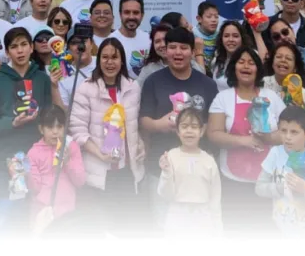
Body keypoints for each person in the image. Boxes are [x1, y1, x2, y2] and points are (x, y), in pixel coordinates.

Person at [139, 27, 219, 222]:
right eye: (172, 47)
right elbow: (143, 121)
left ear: (193, 52)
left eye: (184, 48)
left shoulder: (207, 84)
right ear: (165, 51)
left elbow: (214, 124)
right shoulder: (153, 81)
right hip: (161, 166)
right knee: (163, 224)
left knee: (197, 227)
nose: (177, 52)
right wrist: (160, 124)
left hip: (197, 169)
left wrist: (195, 129)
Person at [70, 36, 146, 234]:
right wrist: (99, 153)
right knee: (102, 228)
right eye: (105, 57)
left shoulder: (133, 87)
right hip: (100, 171)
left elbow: (135, 124)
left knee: (128, 228)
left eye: (115, 57)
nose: (110, 62)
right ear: (98, 59)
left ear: (122, 61)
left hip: (128, 170)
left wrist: (139, 144)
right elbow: (77, 129)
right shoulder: (86, 88)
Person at [207, 47, 285, 232]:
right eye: (241, 62)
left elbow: (288, 132)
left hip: (268, 183)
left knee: (267, 232)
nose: (246, 66)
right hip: (233, 182)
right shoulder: (223, 98)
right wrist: (245, 141)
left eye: (251, 63)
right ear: (233, 67)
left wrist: (268, 137)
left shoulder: (271, 97)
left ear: (258, 69)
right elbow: (213, 134)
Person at [0, 26, 59, 170]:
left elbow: (50, 117)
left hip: (38, 154)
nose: (20, 50)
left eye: (24, 44)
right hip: (4, 155)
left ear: (31, 48)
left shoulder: (43, 79)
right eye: (14, 46)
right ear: (7, 53)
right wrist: (12, 122)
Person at [255, 106, 305, 236]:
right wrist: (281, 187)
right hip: (280, 230)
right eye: (283, 131)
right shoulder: (275, 153)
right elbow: (259, 188)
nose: (288, 137)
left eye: (294, 132)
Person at [156, 107, 223, 236]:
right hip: (177, 216)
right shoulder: (171, 156)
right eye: (184, 126)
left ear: (202, 131)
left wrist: (218, 229)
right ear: (177, 131)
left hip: (203, 218)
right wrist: (166, 172)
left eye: (194, 127)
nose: (189, 131)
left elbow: (215, 198)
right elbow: (165, 194)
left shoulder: (209, 160)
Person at [26, 106, 87, 224]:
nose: (55, 131)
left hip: (67, 211)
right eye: (50, 127)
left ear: (65, 128)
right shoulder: (33, 153)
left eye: (59, 127)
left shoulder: (71, 146)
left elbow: (80, 181)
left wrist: (68, 161)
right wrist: (26, 173)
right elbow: (35, 188)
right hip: (42, 210)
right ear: (41, 129)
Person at [110, 0, 151, 76]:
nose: (131, 17)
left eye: (136, 13)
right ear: (120, 14)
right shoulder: (110, 42)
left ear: (142, 15)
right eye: (127, 12)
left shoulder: (149, 39)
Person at [209, 20, 253, 92]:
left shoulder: (250, 61)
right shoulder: (216, 61)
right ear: (221, 39)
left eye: (235, 36)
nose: (231, 39)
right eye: (226, 36)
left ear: (242, 38)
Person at [194, 2, 221, 71]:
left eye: (216, 17)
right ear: (199, 19)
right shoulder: (192, 34)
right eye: (209, 17)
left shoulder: (220, 35)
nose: (214, 20)